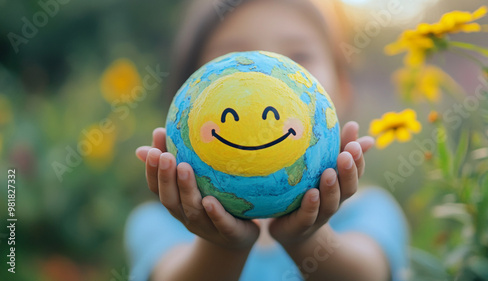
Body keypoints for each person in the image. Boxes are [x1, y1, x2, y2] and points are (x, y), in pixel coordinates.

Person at [126, 0, 409, 280]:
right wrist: (223, 247)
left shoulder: (370, 210)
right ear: (187, 94)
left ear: (342, 89)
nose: (265, 79)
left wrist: (305, 239)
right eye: (237, 59)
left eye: (298, 56)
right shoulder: (158, 222)